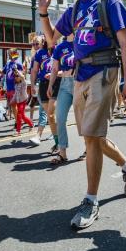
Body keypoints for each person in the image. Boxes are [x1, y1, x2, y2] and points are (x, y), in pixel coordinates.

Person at [38, 0, 126, 230]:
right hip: (79, 76)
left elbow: (125, 42)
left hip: (104, 71)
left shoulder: (108, 1)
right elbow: (51, 40)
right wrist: (43, 12)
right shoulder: (73, 10)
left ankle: (91, 200)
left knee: (92, 138)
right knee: (92, 136)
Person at [47, 34, 75, 165]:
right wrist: (51, 85)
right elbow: (54, 68)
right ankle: (62, 152)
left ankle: (89, 149)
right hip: (64, 84)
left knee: (83, 119)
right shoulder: (60, 47)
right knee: (60, 117)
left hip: (80, 82)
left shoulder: (82, 42)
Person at [30, 36, 58, 147]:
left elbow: (64, 67)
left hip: (57, 84)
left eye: (37, 43)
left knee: (50, 115)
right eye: (34, 44)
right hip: (43, 85)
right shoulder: (40, 53)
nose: (35, 46)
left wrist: (55, 74)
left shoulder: (58, 49)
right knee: (49, 115)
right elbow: (34, 70)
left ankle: (42, 135)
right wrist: (32, 85)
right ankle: (56, 138)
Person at [0, 48, 24, 126]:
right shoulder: (8, 64)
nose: (9, 55)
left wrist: (17, 72)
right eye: (8, 53)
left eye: (10, 53)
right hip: (9, 88)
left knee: (14, 105)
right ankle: (18, 120)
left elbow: (22, 76)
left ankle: (18, 121)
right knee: (12, 106)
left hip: (15, 88)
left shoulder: (18, 64)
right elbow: (2, 73)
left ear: (15, 54)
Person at [12, 67, 34, 136]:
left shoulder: (24, 83)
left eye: (17, 76)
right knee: (23, 116)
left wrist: (17, 71)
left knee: (19, 115)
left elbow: (22, 76)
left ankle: (18, 131)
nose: (16, 77)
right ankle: (31, 124)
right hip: (18, 102)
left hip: (23, 101)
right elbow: (15, 94)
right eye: (15, 76)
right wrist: (12, 100)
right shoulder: (16, 85)